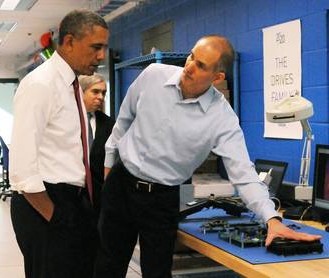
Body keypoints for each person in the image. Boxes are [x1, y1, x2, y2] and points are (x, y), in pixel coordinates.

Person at [94, 35, 321, 278]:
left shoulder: (222, 118)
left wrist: (272, 220)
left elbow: (243, 174)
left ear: (217, 77)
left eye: (201, 65)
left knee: (157, 273)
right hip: (121, 182)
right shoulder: (153, 75)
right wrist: (109, 163)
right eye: (192, 56)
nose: (189, 66)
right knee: (108, 265)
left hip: (161, 198)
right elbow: (124, 119)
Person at [9, 10, 108, 278]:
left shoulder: (70, 85)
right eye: (95, 47)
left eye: (104, 48)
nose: (101, 56)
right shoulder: (41, 84)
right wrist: (55, 217)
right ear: (69, 42)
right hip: (46, 204)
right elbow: (21, 167)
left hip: (74, 201)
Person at [79, 73, 115, 216]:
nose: (100, 97)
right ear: (81, 92)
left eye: (103, 93)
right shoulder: (67, 121)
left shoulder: (110, 124)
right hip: (70, 196)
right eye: (95, 91)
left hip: (98, 199)